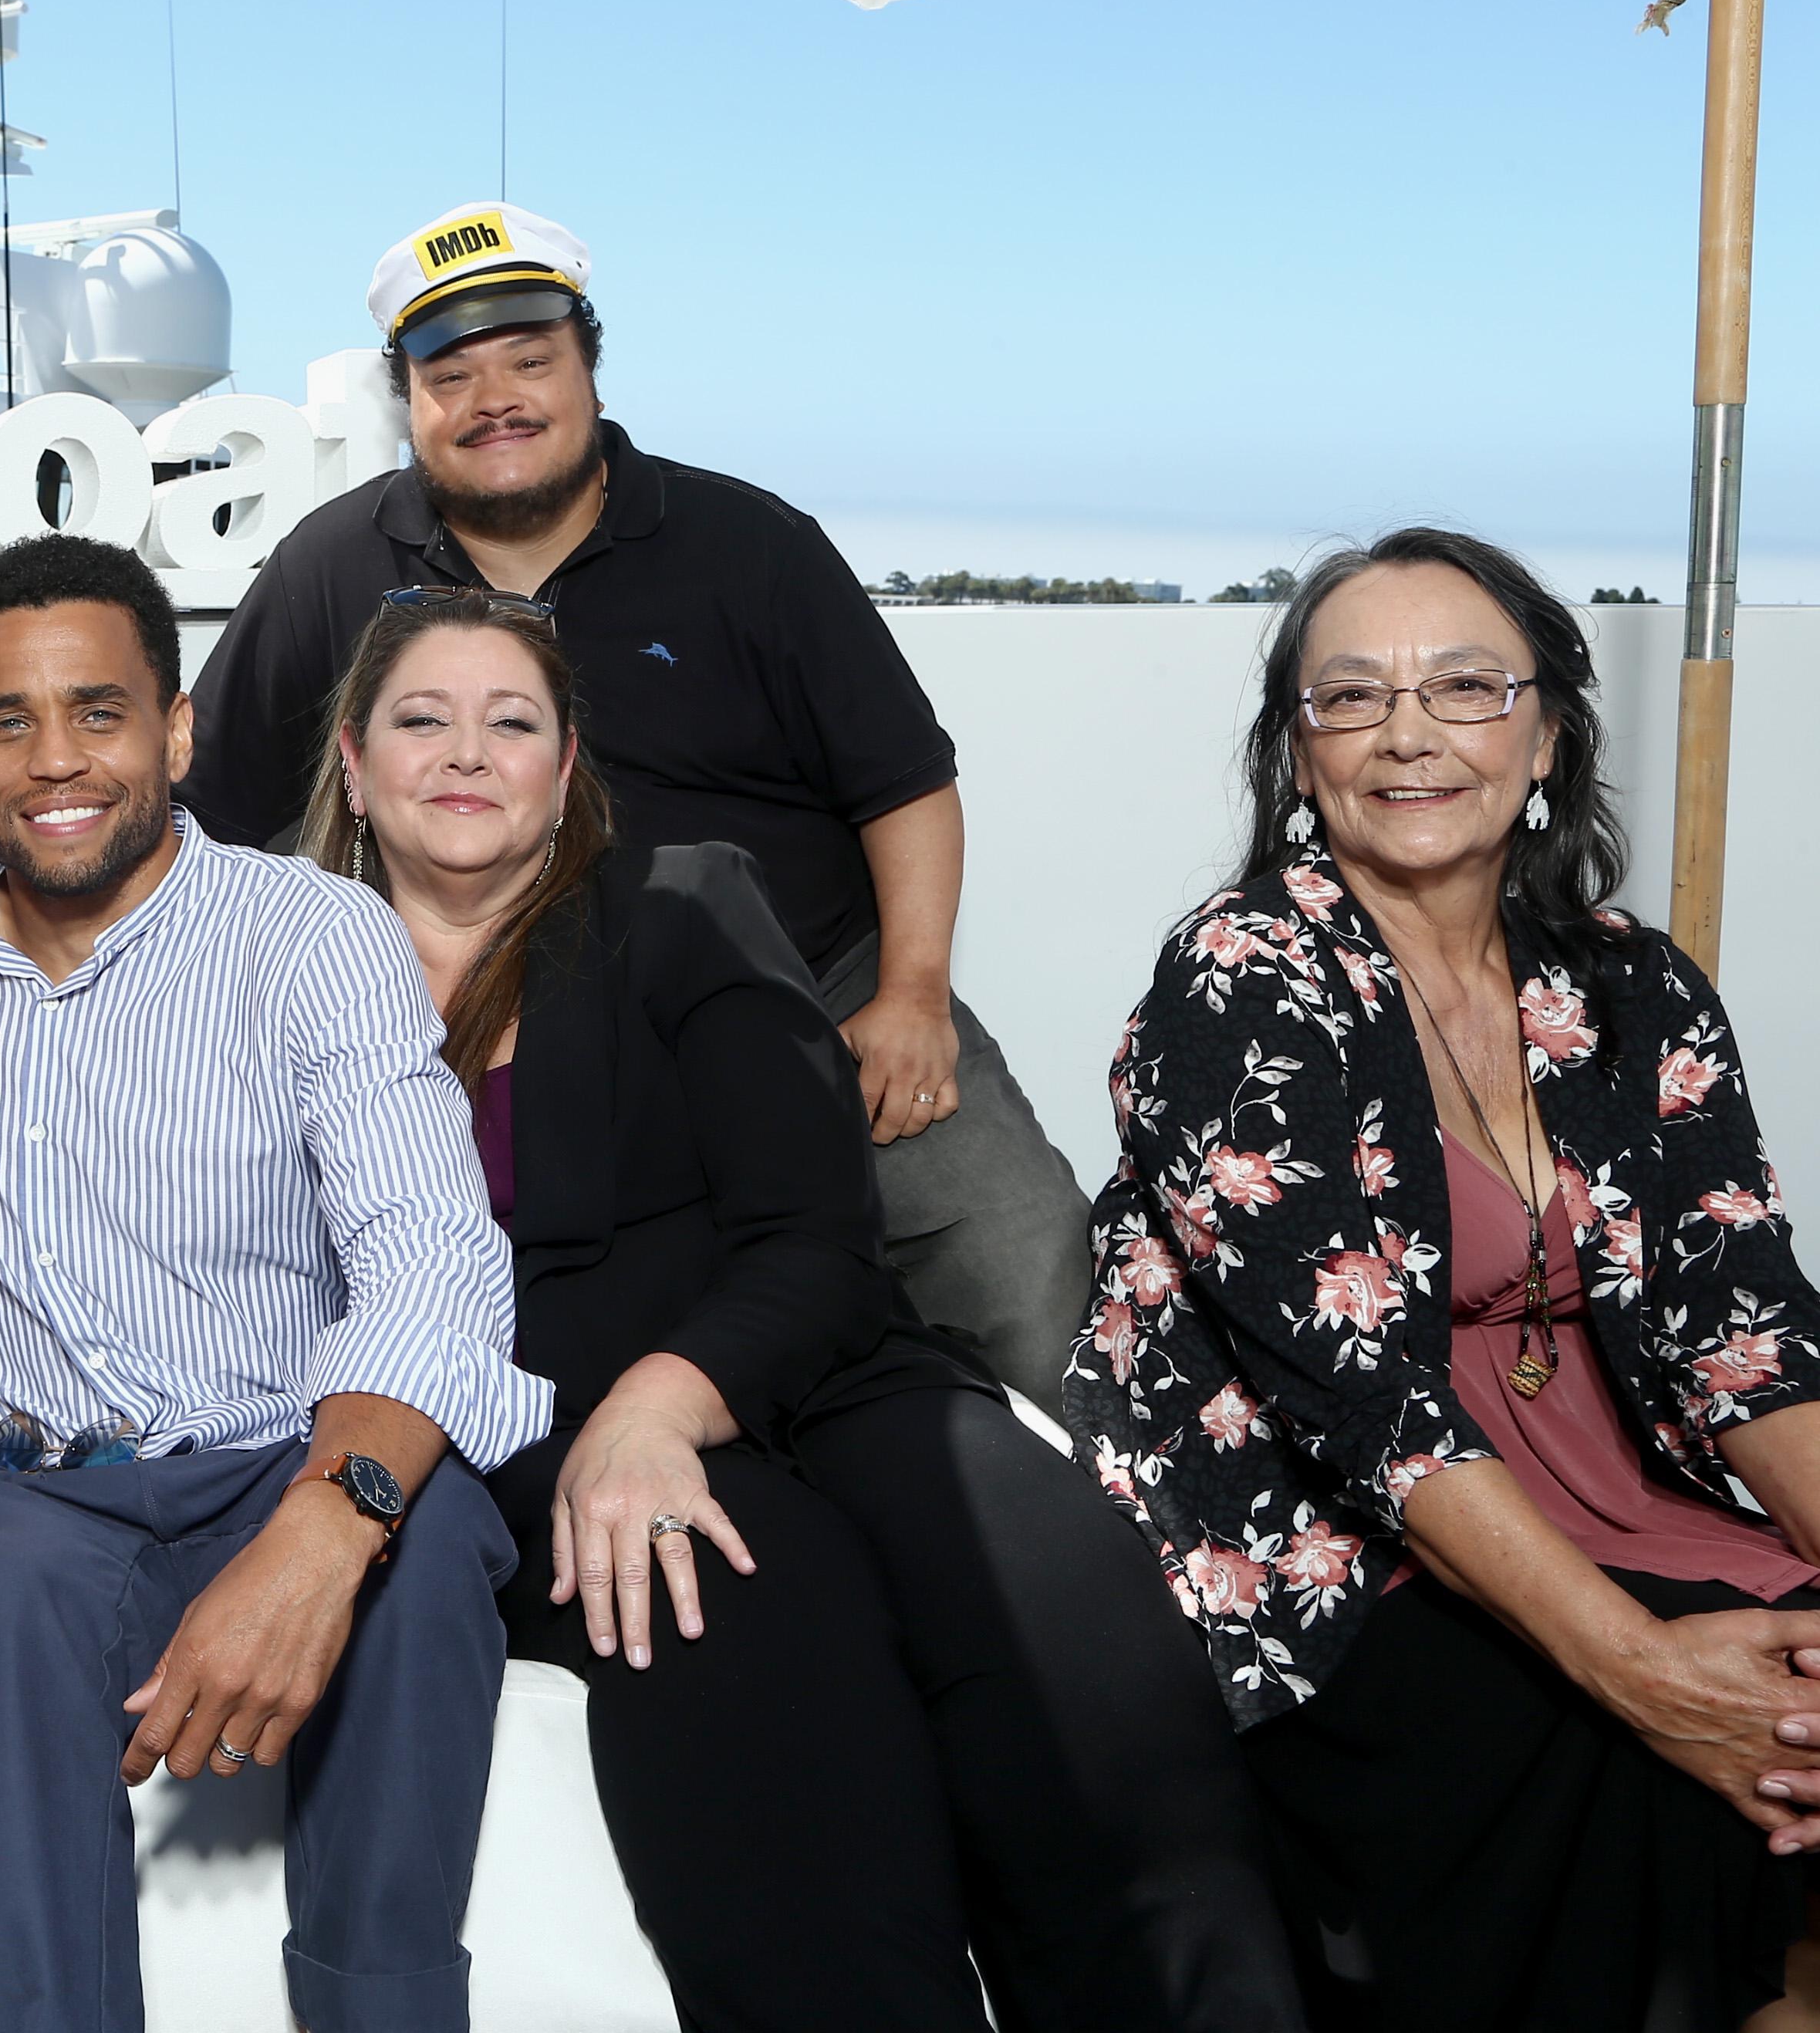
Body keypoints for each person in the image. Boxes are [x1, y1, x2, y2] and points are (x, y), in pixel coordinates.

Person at [314, 586, 1301, 2033]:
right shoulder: (276, 968)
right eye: (423, 719)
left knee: (1060, 1607)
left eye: (511, 721)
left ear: (567, 765)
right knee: (748, 1627)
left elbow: (817, 1233)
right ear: (352, 761)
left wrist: (666, 1400)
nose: (467, 751)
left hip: (807, 1370)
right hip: (531, 1429)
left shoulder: (682, 906)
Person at [1070, 527, 1820, 2032]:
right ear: (1301, 756)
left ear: (1543, 733)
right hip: (1341, 1556)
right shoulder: (1244, 973)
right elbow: (1364, 1417)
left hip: (1613, 1491)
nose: (1406, 730)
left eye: (1464, 686)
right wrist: (1647, 1676)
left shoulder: (1629, 985)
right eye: (1350, 699)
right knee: (1676, 1780)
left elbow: (1748, 1339)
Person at [178, 203, 1089, 1407]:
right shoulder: (330, 566)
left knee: (1028, 1267)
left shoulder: (751, 542)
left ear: (590, 370)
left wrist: (912, 992)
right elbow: (216, 820)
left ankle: (1134, 1559)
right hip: (488, 1028)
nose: (494, 399)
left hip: (810, 991)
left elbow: (905, 783)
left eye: (530, 362)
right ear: (408, 402)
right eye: (451, 376)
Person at [0, 533, 550, 2033]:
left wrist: (330, 1520)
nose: (57, 759)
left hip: (274, 1452)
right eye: (10, 722)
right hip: (32, 1493)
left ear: (174, 729)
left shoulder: (311, 933)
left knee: (424, 1539)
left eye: (100, 711)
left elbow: (433, 1253)